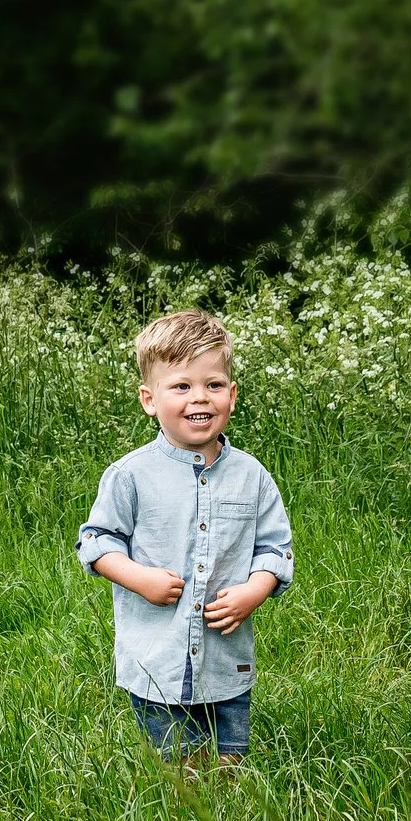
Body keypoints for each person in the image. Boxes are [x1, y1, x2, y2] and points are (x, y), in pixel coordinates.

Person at [77, 310, 295, 763]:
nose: (200, 397)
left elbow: (275, 548)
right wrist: (140, 578)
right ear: (149, 399)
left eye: (213, 385)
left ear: (232, 396)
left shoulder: (251, 477)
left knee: (230, 762)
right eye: (181, 386)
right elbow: (96, 542)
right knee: (180, 772)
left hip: (226, 660)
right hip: (159, 659)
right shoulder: (130, 476)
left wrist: (255, 591)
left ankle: (232, 819)